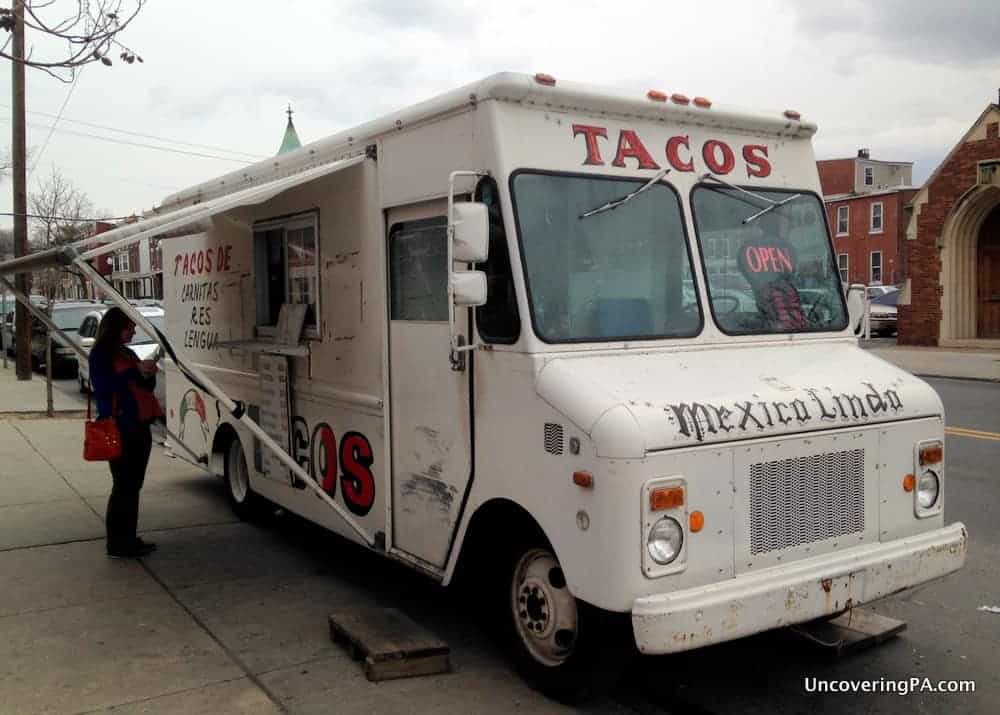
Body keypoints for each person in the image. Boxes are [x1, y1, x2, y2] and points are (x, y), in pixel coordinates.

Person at [89, 307, 163, 558]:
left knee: (133, 485)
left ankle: (128, 538)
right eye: (129, 327)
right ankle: (118, 543)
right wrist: (134, 371)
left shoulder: (127, 353)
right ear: (115, 328)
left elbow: (143, 387)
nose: (133, 331)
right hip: (120, 426)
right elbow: (103, 387)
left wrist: (147, 374)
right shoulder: (101, 354)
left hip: (139, 425)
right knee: (124, 485)